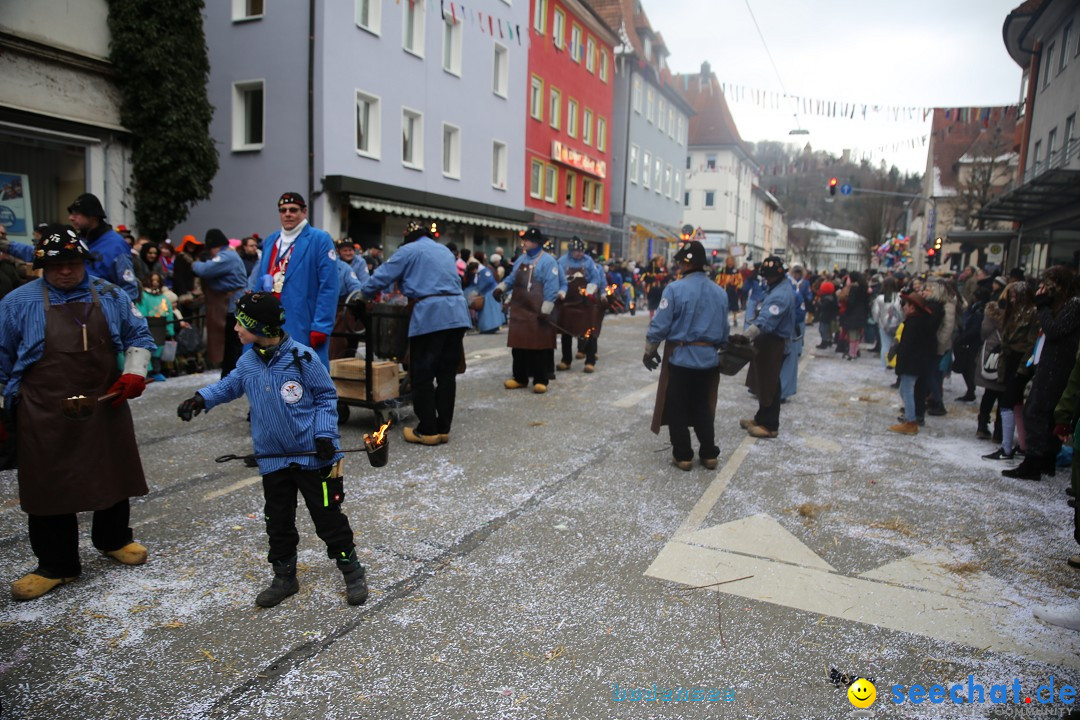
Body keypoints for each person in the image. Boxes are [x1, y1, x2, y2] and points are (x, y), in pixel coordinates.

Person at [176, 292, 368, 607]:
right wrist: (200, 398)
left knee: (327, 518)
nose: (235, 328)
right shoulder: (248, 361)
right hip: (273, 460)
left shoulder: (303, 358)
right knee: (277, 521)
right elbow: (229, 385)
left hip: (313, 458)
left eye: (241, 322)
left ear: (259, 326)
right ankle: (284, 577)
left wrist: (323, 434)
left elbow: (325, 397)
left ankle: (352, 570)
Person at [0, 224, 155, 600]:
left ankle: (114, 539)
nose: (65, 271)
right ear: (40, 265)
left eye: (72, 263)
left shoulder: (111, 294)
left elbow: (139, 335)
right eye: (56, 265)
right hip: (42, 410)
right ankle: (57, 564)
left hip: (104, 403)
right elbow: (2, 360)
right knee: (48, 485)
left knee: (111, 471)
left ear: (83, 262)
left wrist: (134, 373)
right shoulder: (16, 304)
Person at [357, 220, 471, 444]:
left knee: (423, 374)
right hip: (457, 314)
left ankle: (427, 430)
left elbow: (382, 276)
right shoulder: (445, 251)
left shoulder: (408, 250)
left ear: (408, 237)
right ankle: (443, 428)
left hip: (430, 315)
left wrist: (362, 294)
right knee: (447, 374)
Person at [643, 240, 729, 470]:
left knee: (677, 407)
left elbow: (660, 325)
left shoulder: (674, 289)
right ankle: (709, 454)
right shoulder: (720, 293)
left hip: (682, 358)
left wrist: (650, 349)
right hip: (709, 359)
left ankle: (683, 455)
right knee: (703, 406)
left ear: (683, 264)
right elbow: (724, 332)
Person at [249, 192, 339, 368]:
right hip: (269, 323)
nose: (287, 214)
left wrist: (321, 325)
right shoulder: (271, 241)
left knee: (304, 378)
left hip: (301, 321)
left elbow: (329, 287)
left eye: (293, 210)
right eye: (283, 210)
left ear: (304, 212)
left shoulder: (319, 239)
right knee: (270, 379)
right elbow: (261, 279)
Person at [492, 228, 565, 393]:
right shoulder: (520, 260)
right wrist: (501, 288)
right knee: (518, 346)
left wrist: (546, 309)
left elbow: (551, 286)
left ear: (537, 243)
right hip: (520, 309)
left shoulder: (548, 261)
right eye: (523, 240)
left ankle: (541, 380)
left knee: (537, 347)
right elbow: (512, 279)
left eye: (527, 240)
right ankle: (520, 378)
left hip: (538, 310)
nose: (523, 242)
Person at [738, 256, 796, 439]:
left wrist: (746, 336)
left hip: (774, 342)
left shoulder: (781, 294)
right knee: (763, 382)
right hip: (768, 341)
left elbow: (766, 322)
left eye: (769, 276)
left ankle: (770, 425)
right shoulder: (777, 288)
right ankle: (761, 418)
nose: (767, 279)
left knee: (770, 384)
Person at [193, 229, 248, 376]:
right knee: (232, 344)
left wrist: (194, 264)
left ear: (214, 246)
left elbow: (205, 270)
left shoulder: (226, 256)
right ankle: (231, 375)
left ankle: (229, 377)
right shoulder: (230, 254)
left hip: (232, 307)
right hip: (233, 304)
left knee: (231, 344)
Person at [65, 193, 140, 301]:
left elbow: (129, 290)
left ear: (94, 216)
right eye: (71, 213)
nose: (71, 218)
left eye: (77, 213)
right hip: (77, 309)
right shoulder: (76, 241)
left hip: (106, 311)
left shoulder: (116, 245)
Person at [888, 288, 941, 434]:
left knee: (907, 390)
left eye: (906, 304)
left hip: (912, 363)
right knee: (905, 390)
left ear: (913, 307)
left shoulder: (913, 323)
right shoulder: (922, 321)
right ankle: (911, 418)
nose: (904, 307)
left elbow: (907, 347)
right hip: (918, 362)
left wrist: (900, 366)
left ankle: (911, 422)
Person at [556, 237, 606, 373]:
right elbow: (558, 279)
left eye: (581, 250)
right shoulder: (561, 261)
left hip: (585, 302)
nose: (580, 253)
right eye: (577, 251)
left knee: (589, 331)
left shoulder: (588, 261)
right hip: (568, 301)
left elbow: (596, 277)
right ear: (571, 251)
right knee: (566, 332)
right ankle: (566, 360)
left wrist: (592, 286)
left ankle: (590, 361)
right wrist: (560, 291)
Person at [779, 264, 812, 401]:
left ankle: (781, 391)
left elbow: (807, 298)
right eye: (796, 273)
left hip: (790, 325)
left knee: (790, 354)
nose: (797, 275)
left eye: (799, 273)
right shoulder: (789, 287)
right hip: (786, 326)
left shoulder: (804, 284)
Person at [715, 254, 744, 327]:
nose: (730, 262)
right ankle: (724, 319)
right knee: (725, 305)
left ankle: (735, 319)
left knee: (734, 305)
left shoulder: (736, 271)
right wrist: (725, 282)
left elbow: (740, 280)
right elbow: (718, 280)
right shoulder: (723, 270)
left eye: (731, 261)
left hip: (734, 290)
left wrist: (734, 282)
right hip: (725, 289)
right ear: (726, 262)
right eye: (729, 261)